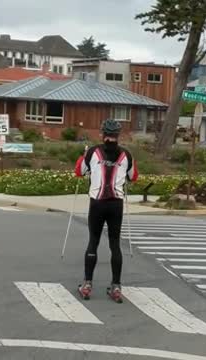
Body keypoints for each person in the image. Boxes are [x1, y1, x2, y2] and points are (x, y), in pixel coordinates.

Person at [74, 119, 139, 302]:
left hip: (97, 203)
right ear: (119, 135)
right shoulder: (126, 154)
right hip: (116, 204)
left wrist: (83, 155)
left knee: (93, 241)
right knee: (114, 244)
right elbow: (133, 177)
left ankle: (87, 284)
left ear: (103, 134)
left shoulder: (93, 152)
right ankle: (116, 286)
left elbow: (79, 171)